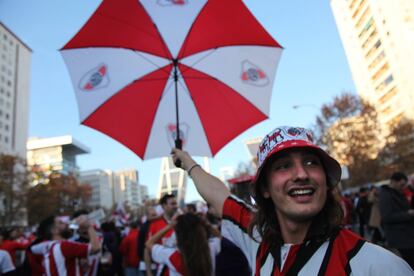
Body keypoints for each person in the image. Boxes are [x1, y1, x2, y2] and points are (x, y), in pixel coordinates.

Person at [172, 126, 413, 275]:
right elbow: (218, 194)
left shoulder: (378, 266)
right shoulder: (258, 240)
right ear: (265, 189)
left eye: (311, 162)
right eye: (284, 166)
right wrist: (188, 162)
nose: (301, 174)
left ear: (326, 180)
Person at [145, 213, 220, 276]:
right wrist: (206, 224)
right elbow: (222, 239)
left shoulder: (171, 255)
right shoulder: (210, 248)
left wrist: (170, 226)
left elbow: (149, 243)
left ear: (178, 235)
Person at [31, 215, 101, 276]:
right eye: (61, 223)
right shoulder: (63, 246)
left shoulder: (48, 248)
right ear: (54, 230)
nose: (66, 223)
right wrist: (88, 226)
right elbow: (96, 247)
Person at [379, 172, 414, 269]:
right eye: (401, 185)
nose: (403, 188)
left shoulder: (395, 193)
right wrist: (408, 214)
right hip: (401, 237)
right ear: (393, 182)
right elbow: (387, 217)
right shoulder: (386, 195)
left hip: (406, 235)